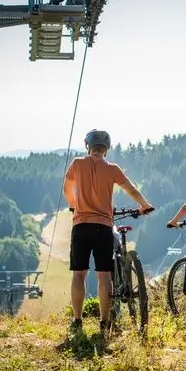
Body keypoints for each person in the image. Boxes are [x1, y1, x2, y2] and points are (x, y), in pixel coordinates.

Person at [63, 129, 154, 335]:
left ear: (88, 146)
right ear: (107, 149)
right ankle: (104, 323)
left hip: (81, 225)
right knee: (104, 276)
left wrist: (73, 204)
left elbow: (67, 188)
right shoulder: (112, 169)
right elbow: (131, 189)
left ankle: (78, 321)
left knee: (79, 274)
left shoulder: (77, 164)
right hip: (103, 226)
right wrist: (144, 205)